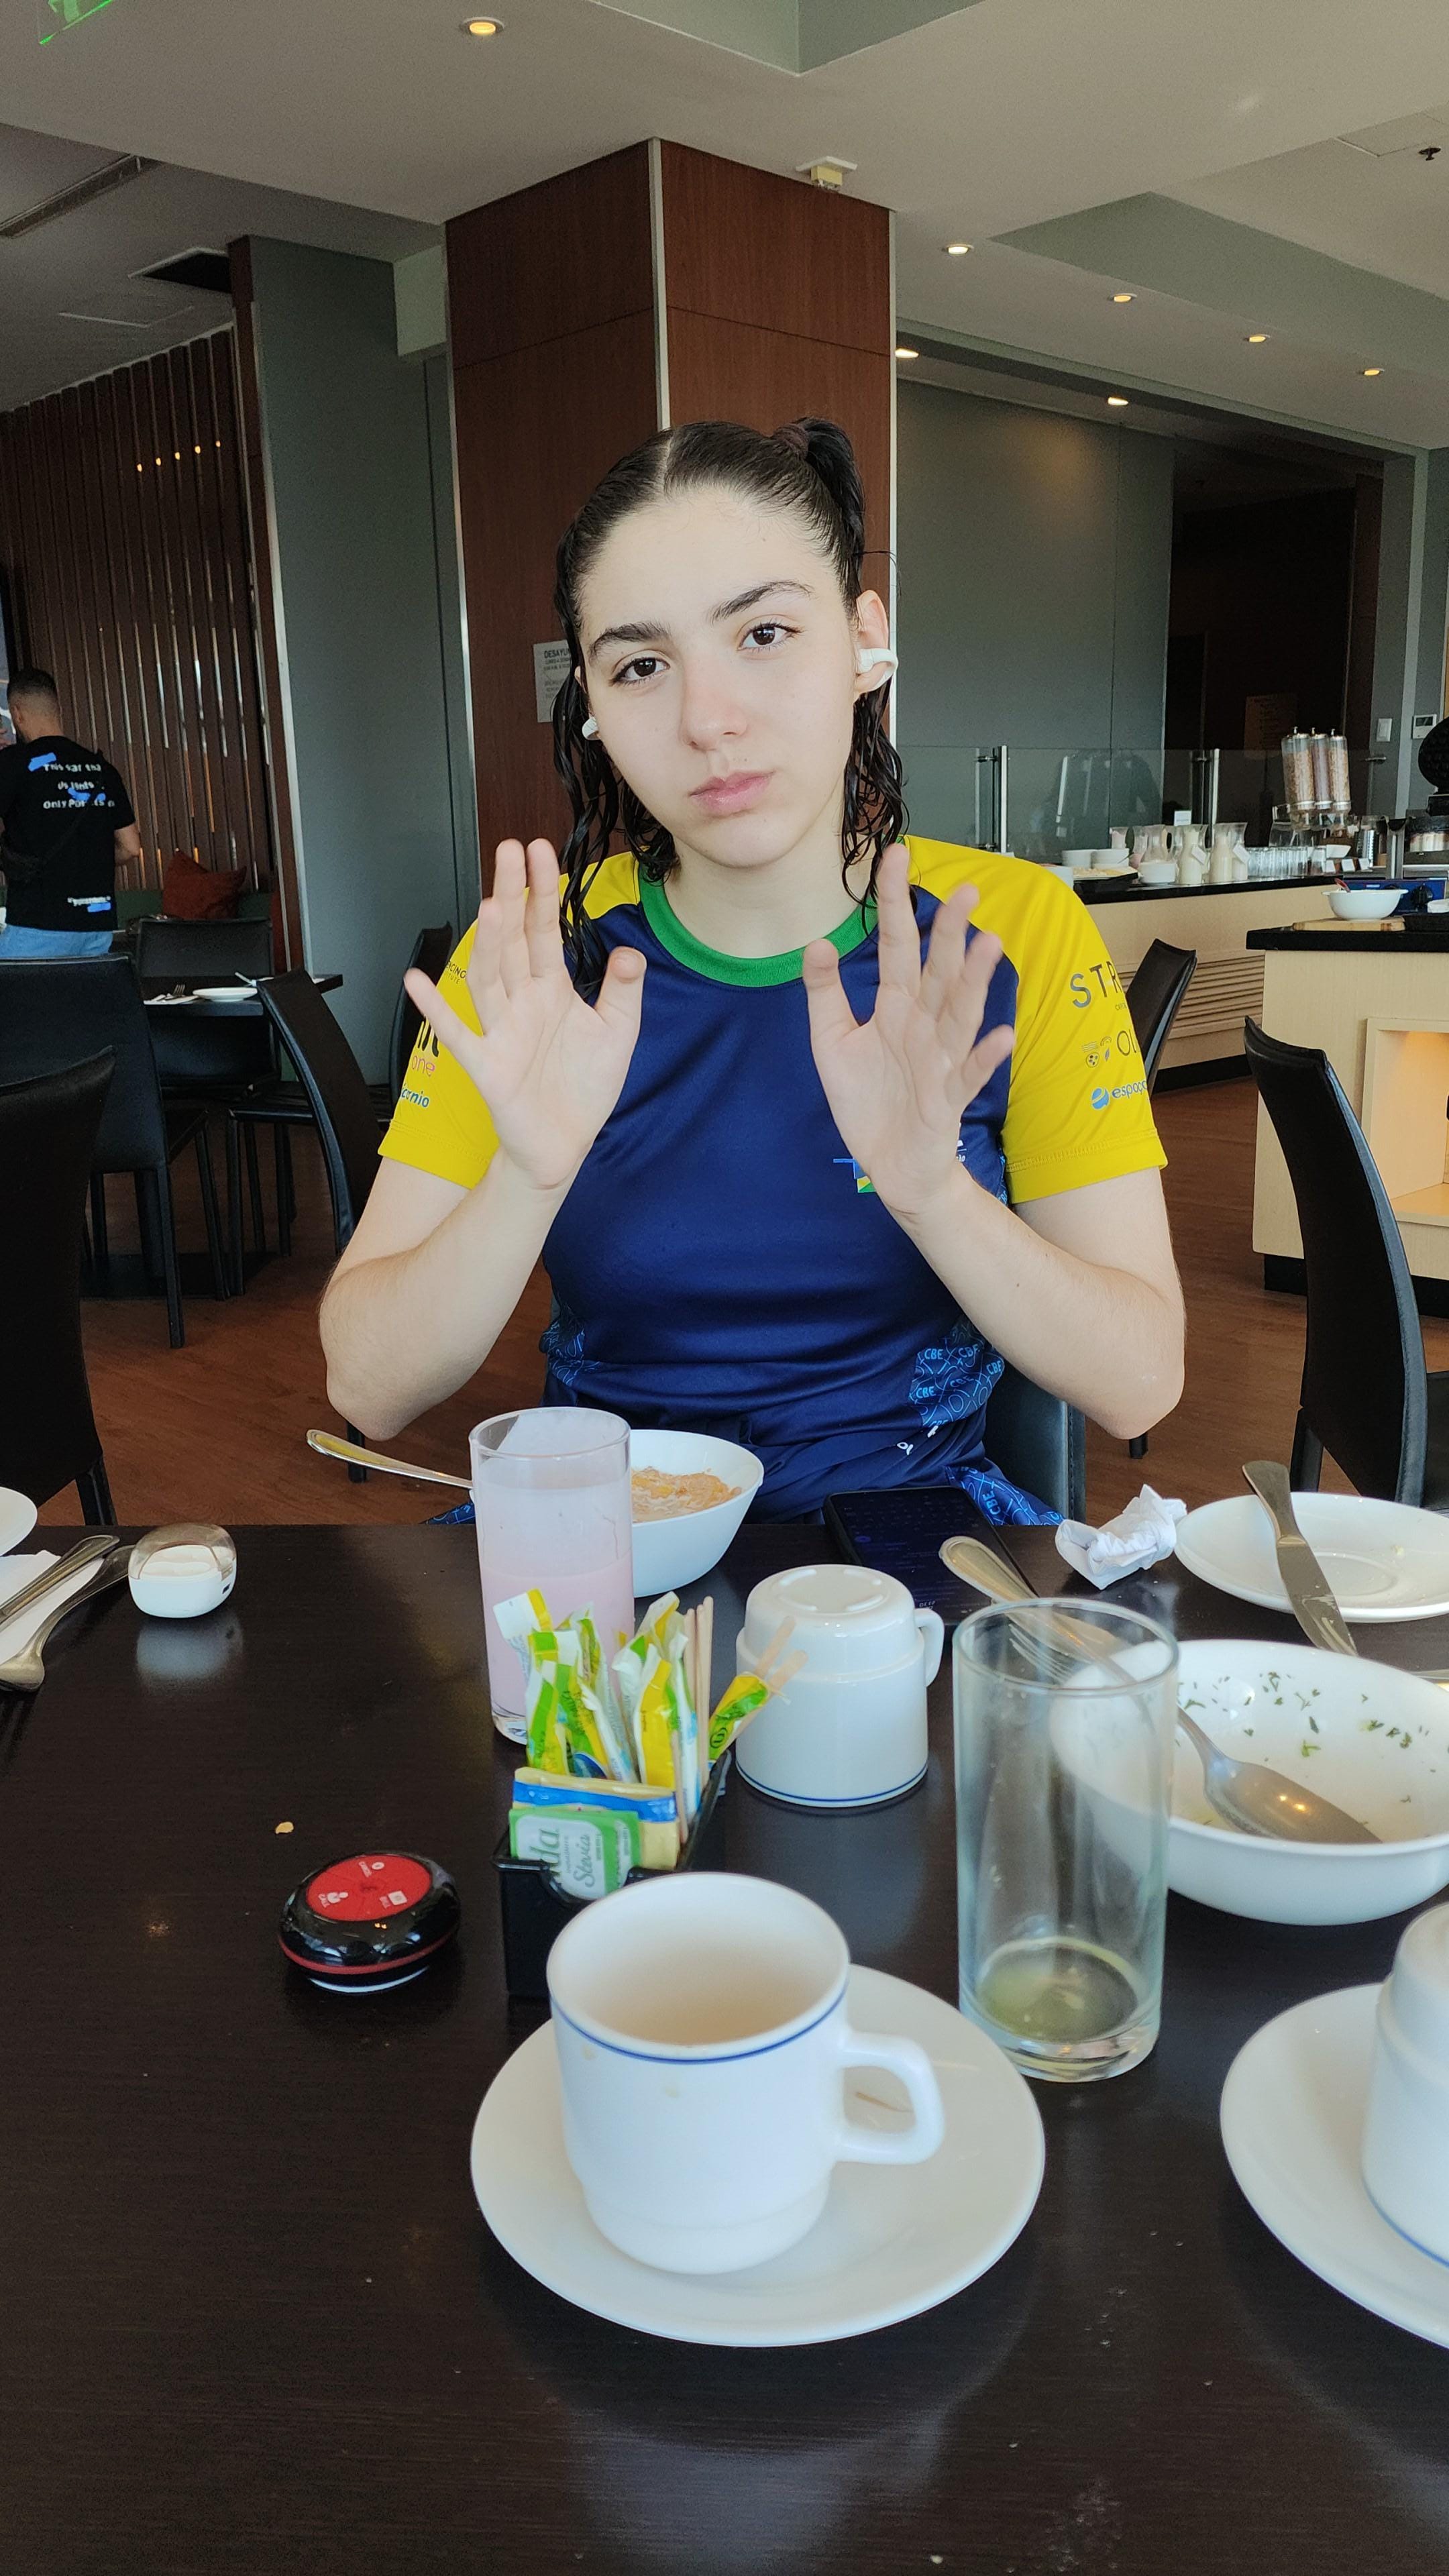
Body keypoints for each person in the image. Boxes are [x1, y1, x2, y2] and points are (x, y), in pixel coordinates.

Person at [321, 418, 1184, 1523]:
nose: (708, 720)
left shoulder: (1009, 931)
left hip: (915, 1545)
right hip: (607, 1548)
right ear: (592, 706)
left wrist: (936, 1199)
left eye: (765, 633)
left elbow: (1138, 1380)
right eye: (641, 665)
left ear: (865, 641)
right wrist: (524, 1181)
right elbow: (369, 1388)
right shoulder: (536, 957)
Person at [0, 669, 141, 958]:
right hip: (97, 926)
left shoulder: (13, 764)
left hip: (36, 923)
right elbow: (130, 847)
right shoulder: (102, 769)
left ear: (17, 713)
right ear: (58, 709)